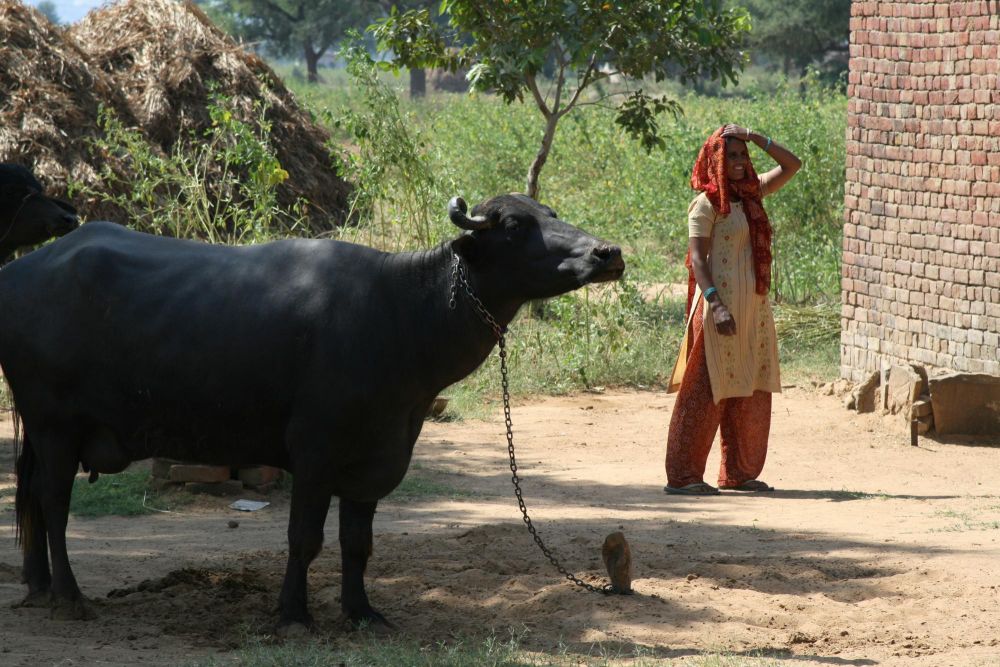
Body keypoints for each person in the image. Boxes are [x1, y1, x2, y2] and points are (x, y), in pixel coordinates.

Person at [664, 124, 801, 495]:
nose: (740, 163)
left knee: (750, 389)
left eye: (743, 156)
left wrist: (756, 136)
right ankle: (683, 476)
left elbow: (793, 165)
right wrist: (715, 304)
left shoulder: (752, 196)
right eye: (731, 156)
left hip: (753, 309)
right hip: (716, 309)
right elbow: (697, 259)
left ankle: (739, 473)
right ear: (715, 161)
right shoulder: (706, 204)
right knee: (706, 393)